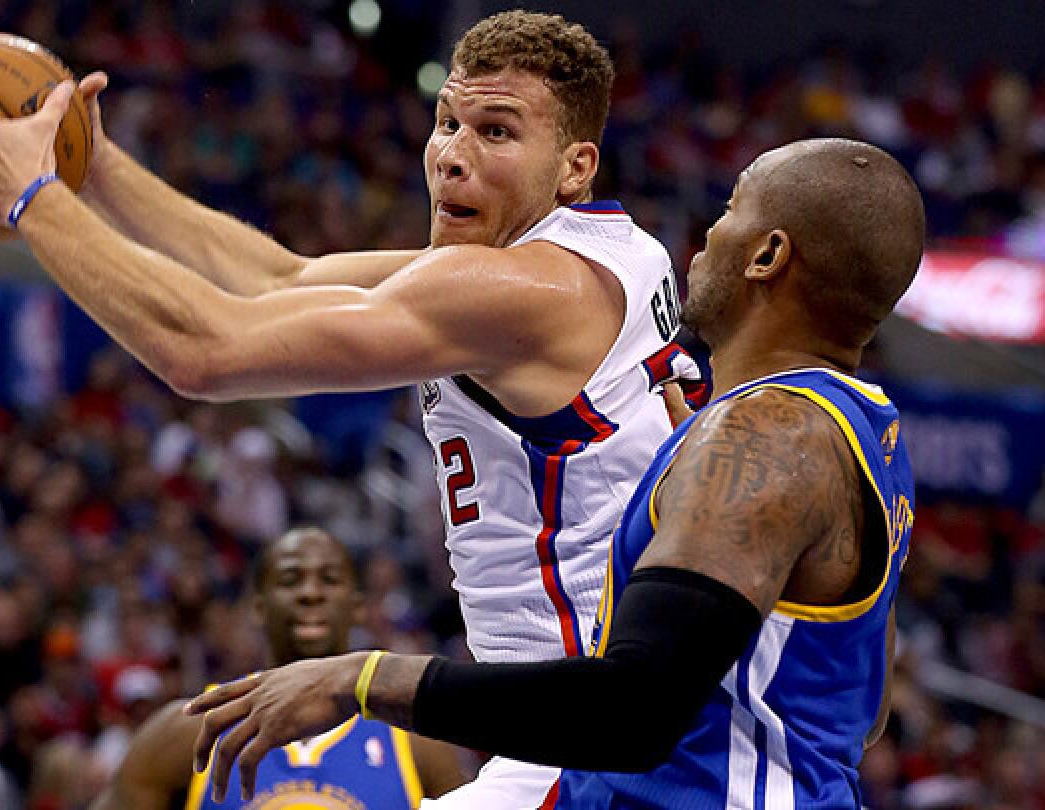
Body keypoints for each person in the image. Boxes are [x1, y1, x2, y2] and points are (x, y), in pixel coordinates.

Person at [0, 11, 699, 806]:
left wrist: (30, 196)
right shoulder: (610, 252)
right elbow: (274, 280)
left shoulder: (521, 290)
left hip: (588, 748)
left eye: (496, 132)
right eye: (448, 120)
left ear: (575, 167)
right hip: (599, 727)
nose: (452, 156)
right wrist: (90, 165)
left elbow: (204, 352)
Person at [182, 138, 925, 809]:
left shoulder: (761, 438)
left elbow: (630, 713)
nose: (706, 235)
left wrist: (361, 679)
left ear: (767, 256)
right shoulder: (865, 432)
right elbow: (866, 714)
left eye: (731, 210)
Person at [91, 527, 463, 809]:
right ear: (257, 606)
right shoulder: (188, 730)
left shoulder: (415, 740)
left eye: (328, 580)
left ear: (357, 606)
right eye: (290, 579)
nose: (310, 593)